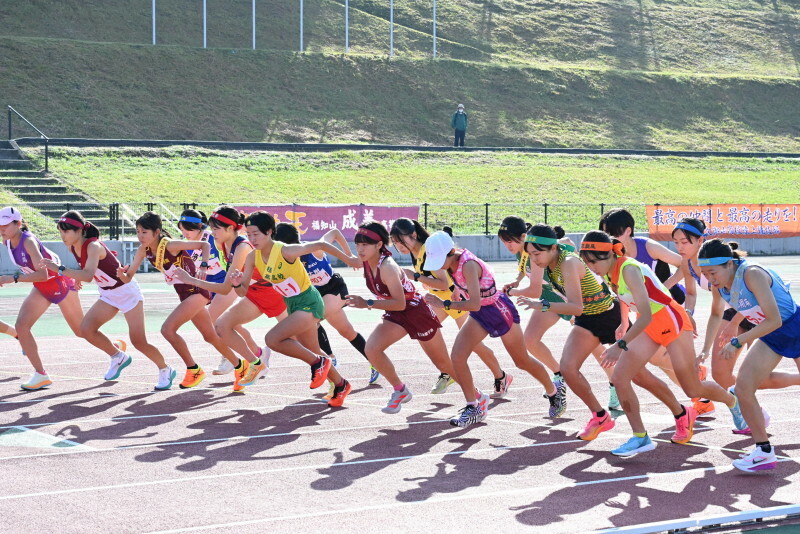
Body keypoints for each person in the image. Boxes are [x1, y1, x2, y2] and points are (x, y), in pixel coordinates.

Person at [579, 231, 745, 456]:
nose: (591, 267)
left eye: (594, 261)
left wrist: (620, 344)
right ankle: (640, 437)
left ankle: (732, 400)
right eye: (587, 262)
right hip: (649, 327)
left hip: (671, 323)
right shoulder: (610, 272)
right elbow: (625, 298)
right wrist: (624, 321)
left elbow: (646, 314)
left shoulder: (628, 269)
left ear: (609, 254)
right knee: (620, 378)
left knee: (692, 387)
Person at [422, 230, 562, 428]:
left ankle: (554, 391)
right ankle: (474, 406)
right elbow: (470, 296)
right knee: (458, 356)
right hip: (481, 313)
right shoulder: (451, 261)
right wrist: (455, 292)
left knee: (521, 361)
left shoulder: (468, 265)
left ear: (451, 252)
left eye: (439, 259)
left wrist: (443, 303)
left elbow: (474, 304)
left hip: (498, 310)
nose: (437, 266)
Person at [230, 211, 355, 407]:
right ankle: (341, 385)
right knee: (312, 349)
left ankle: (318, 364)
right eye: (249, 234)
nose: (252, 239)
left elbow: (321, 245)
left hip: (309, 301)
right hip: (292, 304)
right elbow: (242, 292)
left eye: (256, 234)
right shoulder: (253, 257)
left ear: (270, 232)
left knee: (272, 339)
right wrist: (237, 283)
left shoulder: (286, 251)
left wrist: (350, 259)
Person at [42, 211, 174, 390]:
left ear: (79, 231)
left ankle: (165, 369)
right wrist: (77, 277)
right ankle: (118, 356)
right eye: (60, 232)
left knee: (138, 340)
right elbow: (86, 268)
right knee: (86, 329)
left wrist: (61, 269)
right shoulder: (73, 247)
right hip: (108, 294)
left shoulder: (94, 246)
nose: (62, 236)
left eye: (66, 231)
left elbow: (88, 275)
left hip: (127, 292)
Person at [698, 239, 799, 471]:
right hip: (772, 336)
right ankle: (764, 451)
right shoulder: (720, 285)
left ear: (729, 264)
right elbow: (717, 314)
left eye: (713, 272)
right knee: (743, 388)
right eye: (705, 274)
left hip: (794, 327)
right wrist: (705, 348)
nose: (711, 279)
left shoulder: (752, 274)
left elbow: (775, 319)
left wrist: (738, 340)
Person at [346, 222, 463, 415]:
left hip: (416, 312)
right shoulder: (366, 260)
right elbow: (342, 254)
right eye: (357, 244)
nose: (360, 249)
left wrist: (366, 303)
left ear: (378, 245)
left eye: (365, 244)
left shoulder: (388, 266)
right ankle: (400, 390)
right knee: (372, 349)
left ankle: (476, 397)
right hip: (397, 313)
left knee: (443, 364)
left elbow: (400, 303)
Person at [500, 217, 613, 416]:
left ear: (524, 237)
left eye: (511, 240)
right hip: (550, 299)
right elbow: (564, 245)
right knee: (530, 341)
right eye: (503, 241)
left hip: (562, 299)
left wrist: (512, 293)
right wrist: (516, 282)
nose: (507, 245)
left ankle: (615, 384)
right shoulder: (525, 253)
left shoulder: (537, 252)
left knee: (595, 346)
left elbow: (535, 289)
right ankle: (559, 376)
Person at [520, 224, 621, 440]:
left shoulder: (567, 263)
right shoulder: (550, 260)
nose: (534, 259)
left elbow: (576, 307)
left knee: (645, 372)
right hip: (588, 320)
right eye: (530, 254)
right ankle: (600, 416)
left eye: (537, 253)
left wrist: (543, 305)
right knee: (568, 368)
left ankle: (695, 399)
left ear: (551, 248)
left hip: (609, 314)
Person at [117, 211, 240, 390]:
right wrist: (122, 274)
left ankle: (193, 369)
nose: (140, 236)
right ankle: (240, 366)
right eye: (137, 231)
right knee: (210, 336)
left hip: (197, 291)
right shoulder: (143, 250)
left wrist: (204, 266)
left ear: (157, 231)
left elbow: (205, 245)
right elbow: (128, 277)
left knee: (168, 329)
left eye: (144, 232)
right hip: (184, 294)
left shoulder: (171, 245)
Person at [389, 218, 511, 398]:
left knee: (474, 345)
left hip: (455, 299)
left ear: (414, 235)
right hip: (441, 300)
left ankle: (501, 376)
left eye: (401, 241)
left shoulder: (426, 250)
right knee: (426, 331)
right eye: (395, 242)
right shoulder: (415, 253)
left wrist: (415, 277)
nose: (398, 246)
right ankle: (447, 371)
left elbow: (444, 283)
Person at [274, 223, 379, 385]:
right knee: (347, 331)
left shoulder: (314, 249)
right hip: (317, 295)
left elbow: (336, 232)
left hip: (334, 288)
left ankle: (329, 358)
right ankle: (375, 361)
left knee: (311, 320)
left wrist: (349, 256)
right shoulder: (286, 259)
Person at [0, 206, 83, 390]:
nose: (1, 229)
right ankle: (41, 374)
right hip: (42, 287)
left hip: (58, 283)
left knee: (82, 331)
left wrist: (12, 278)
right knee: (22, 326)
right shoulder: (7, 241)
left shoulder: (28, 241)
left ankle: (116, 352)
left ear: (18, 224)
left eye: (5, 225)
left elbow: (43, 274)